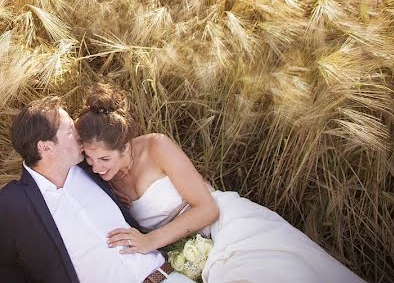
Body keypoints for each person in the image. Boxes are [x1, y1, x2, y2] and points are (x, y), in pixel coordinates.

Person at [75, 83, 367, 283]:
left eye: (104, 159)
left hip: (227, 224)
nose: (96, 168)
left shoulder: (156, 147)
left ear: (126, 146)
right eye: (89, 158)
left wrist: (150, 240)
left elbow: (207, 209)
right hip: (186, 250)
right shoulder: (104, 183)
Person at [0, 96, 195, 283]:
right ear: (45, 147)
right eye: (69, 131)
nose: (78, 134)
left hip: (167, 276)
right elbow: (1, 263)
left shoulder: (93, 166)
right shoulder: (12, 204)